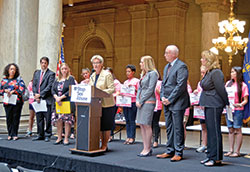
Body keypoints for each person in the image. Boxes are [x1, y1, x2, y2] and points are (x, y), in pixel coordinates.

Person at [156, 45, 190, 162]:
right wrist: (162, 97)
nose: (164, 55)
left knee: (178, 127)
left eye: (166, 53)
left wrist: (170, 99)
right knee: (169, 126)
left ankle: (178, 151)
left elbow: (181, 85)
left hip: (177, 102)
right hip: (167, 101)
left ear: (173, 54)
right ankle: (169, 149)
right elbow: (164, 84)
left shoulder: (181, 66)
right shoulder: (167, 67)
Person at [199, 50, 229, 166]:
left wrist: (226, 103)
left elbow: (221, 89)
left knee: (214, 131)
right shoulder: (209, 72)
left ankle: (216, 157)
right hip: (208, 103)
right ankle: (210, 155)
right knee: (210, 131)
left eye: (203, 58)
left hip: (215, 104)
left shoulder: (216, 72)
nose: (201, 60)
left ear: (209, 60)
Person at [89, 55, 116, 151]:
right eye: (94, 63)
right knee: (99, 125)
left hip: (107, 104)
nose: (95, 65)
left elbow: (112, 89)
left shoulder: (107, 74)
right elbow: (91, 89)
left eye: (97, 63)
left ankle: (105, 144)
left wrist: (101, 93)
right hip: (96, 105)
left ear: (102, 64)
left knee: (106, 125)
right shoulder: (92, 76)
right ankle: (100, 143)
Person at [224, 66, 249, 157]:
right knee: (230, 129)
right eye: (231, 72)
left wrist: (240, 104)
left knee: (237, 129)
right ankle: (230, 149)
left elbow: (245, 99)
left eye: (233, 72)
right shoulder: (228, 84)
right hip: (229, 109)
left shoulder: (243, 85)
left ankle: (237, 151)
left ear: (237, 73)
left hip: (238, 109)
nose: (231, 74)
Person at [136, 55, 158, 157]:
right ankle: (144, 146)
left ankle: (148, 148)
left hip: (148, 101)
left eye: (141, 62)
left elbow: (150, 89)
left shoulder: (153, 74)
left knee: (146, 124)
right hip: (141, 101)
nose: (140, 64)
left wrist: (141, 100)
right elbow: (139, 89)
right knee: (141, 124)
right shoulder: (144, 74)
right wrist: (137, 100)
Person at [52, 63, 76, 145]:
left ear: (68, 69)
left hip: (66, 102)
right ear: (60, 70)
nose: (64, 70)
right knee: (59, 120)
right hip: (58, 103)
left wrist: (61, 97)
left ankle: (66, 138)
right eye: (62, 69)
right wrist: (56, 97)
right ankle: (59, 137)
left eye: (66, 68)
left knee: (67, 121)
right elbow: (53, 89)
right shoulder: (57, 79)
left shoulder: (71, 79)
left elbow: (71, 90)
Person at [32, 57, 55, 142]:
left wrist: (40, 95)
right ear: (40, 63)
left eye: (45, 63)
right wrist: (35, 95)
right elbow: (34, 85)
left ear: (47, 64)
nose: (43, 64)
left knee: (47, 118)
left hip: (46, 99)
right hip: (38, 100)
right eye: (42, 63)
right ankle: (40, 134)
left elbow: (49, 87)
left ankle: (48, 134)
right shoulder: (37, 73)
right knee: (39, 118)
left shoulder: (51, 74)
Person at [0, 63, 25, 140]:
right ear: (8, 70)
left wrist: (13, 91)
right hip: (7, 102)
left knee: (15, 117)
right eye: (11, 69)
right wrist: (5, 91)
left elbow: (22, 89)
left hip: (17, 102)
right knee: (9, 118)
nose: (12, 71)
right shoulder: (4, 80)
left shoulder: (19, 79)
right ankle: (9, 134)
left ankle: (15, 134)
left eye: (14, 69)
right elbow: (0, 90)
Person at [122, 64, 140, 145]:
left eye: (129, 71)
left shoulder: (137, 81)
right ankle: (128, 136)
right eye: (126, 72)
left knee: (132, 120)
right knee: (127, 120)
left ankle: (132, 137)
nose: (127, 73)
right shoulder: (125, 82)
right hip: (126, 102)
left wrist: (134, 88)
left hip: (133, 102)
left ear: (133, 72)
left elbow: (140, 91)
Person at [194, 65, 207, 153]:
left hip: (208, 107)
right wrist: (196, 91)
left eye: (204, 72)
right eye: (201, 73)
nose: (202, 74)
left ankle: (210, 145)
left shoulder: (210, 82)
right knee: (203, 127)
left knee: (210, 127)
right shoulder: (200, 82)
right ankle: (204, 144)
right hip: (201, 108)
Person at [106, 67, 121, 142]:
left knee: (111, 119)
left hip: (113, 103)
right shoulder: (104, 82)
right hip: (105, 102)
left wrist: (111, 95)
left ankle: (110, 135)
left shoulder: (116, 82)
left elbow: (118, 92)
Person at [26, 70, 38, 137]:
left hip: (39, 101)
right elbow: (28, 91)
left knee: (39, 117)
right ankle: (30, 130)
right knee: (31, 116)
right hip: (32, 101)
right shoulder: (31, 83)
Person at [152, 74, 162, 148]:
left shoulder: (159, 83)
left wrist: (155, 89)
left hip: (157, 104)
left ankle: (156, 140)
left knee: (155, 122)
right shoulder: (150, 82)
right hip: (150, 104)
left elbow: (161, 93)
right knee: (150, 123)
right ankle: (151, 138)